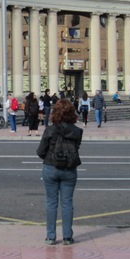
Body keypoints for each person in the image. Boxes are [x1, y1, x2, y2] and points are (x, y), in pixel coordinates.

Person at [36, 99, 83, 246]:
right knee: (67, 203)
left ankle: (51, 237)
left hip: (51, 167)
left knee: (51, 202)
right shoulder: (77, 131)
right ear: (72, 114)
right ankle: (67, 237)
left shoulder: (50, 130)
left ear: (55, 113)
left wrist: (50, 158)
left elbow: (40, 151)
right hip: (70, 169)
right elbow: (76, 148)